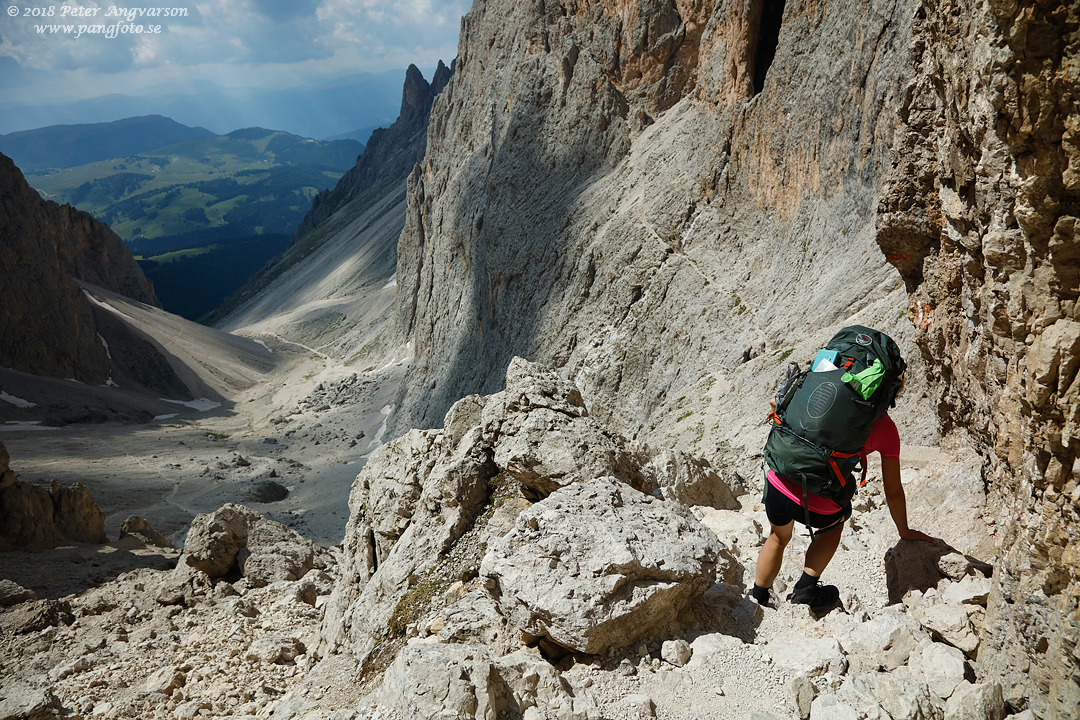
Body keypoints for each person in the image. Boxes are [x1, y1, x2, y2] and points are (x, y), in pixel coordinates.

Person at [751, 376, 934, 611]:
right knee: (836, 523)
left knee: (777, 537)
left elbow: (774, 403)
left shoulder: (820, 395)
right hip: (820, 505)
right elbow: (893, 491)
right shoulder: (884, 427)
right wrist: (904, 531)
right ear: (892, 395)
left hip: (778, 482)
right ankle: (806, 589)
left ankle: (758, 598)